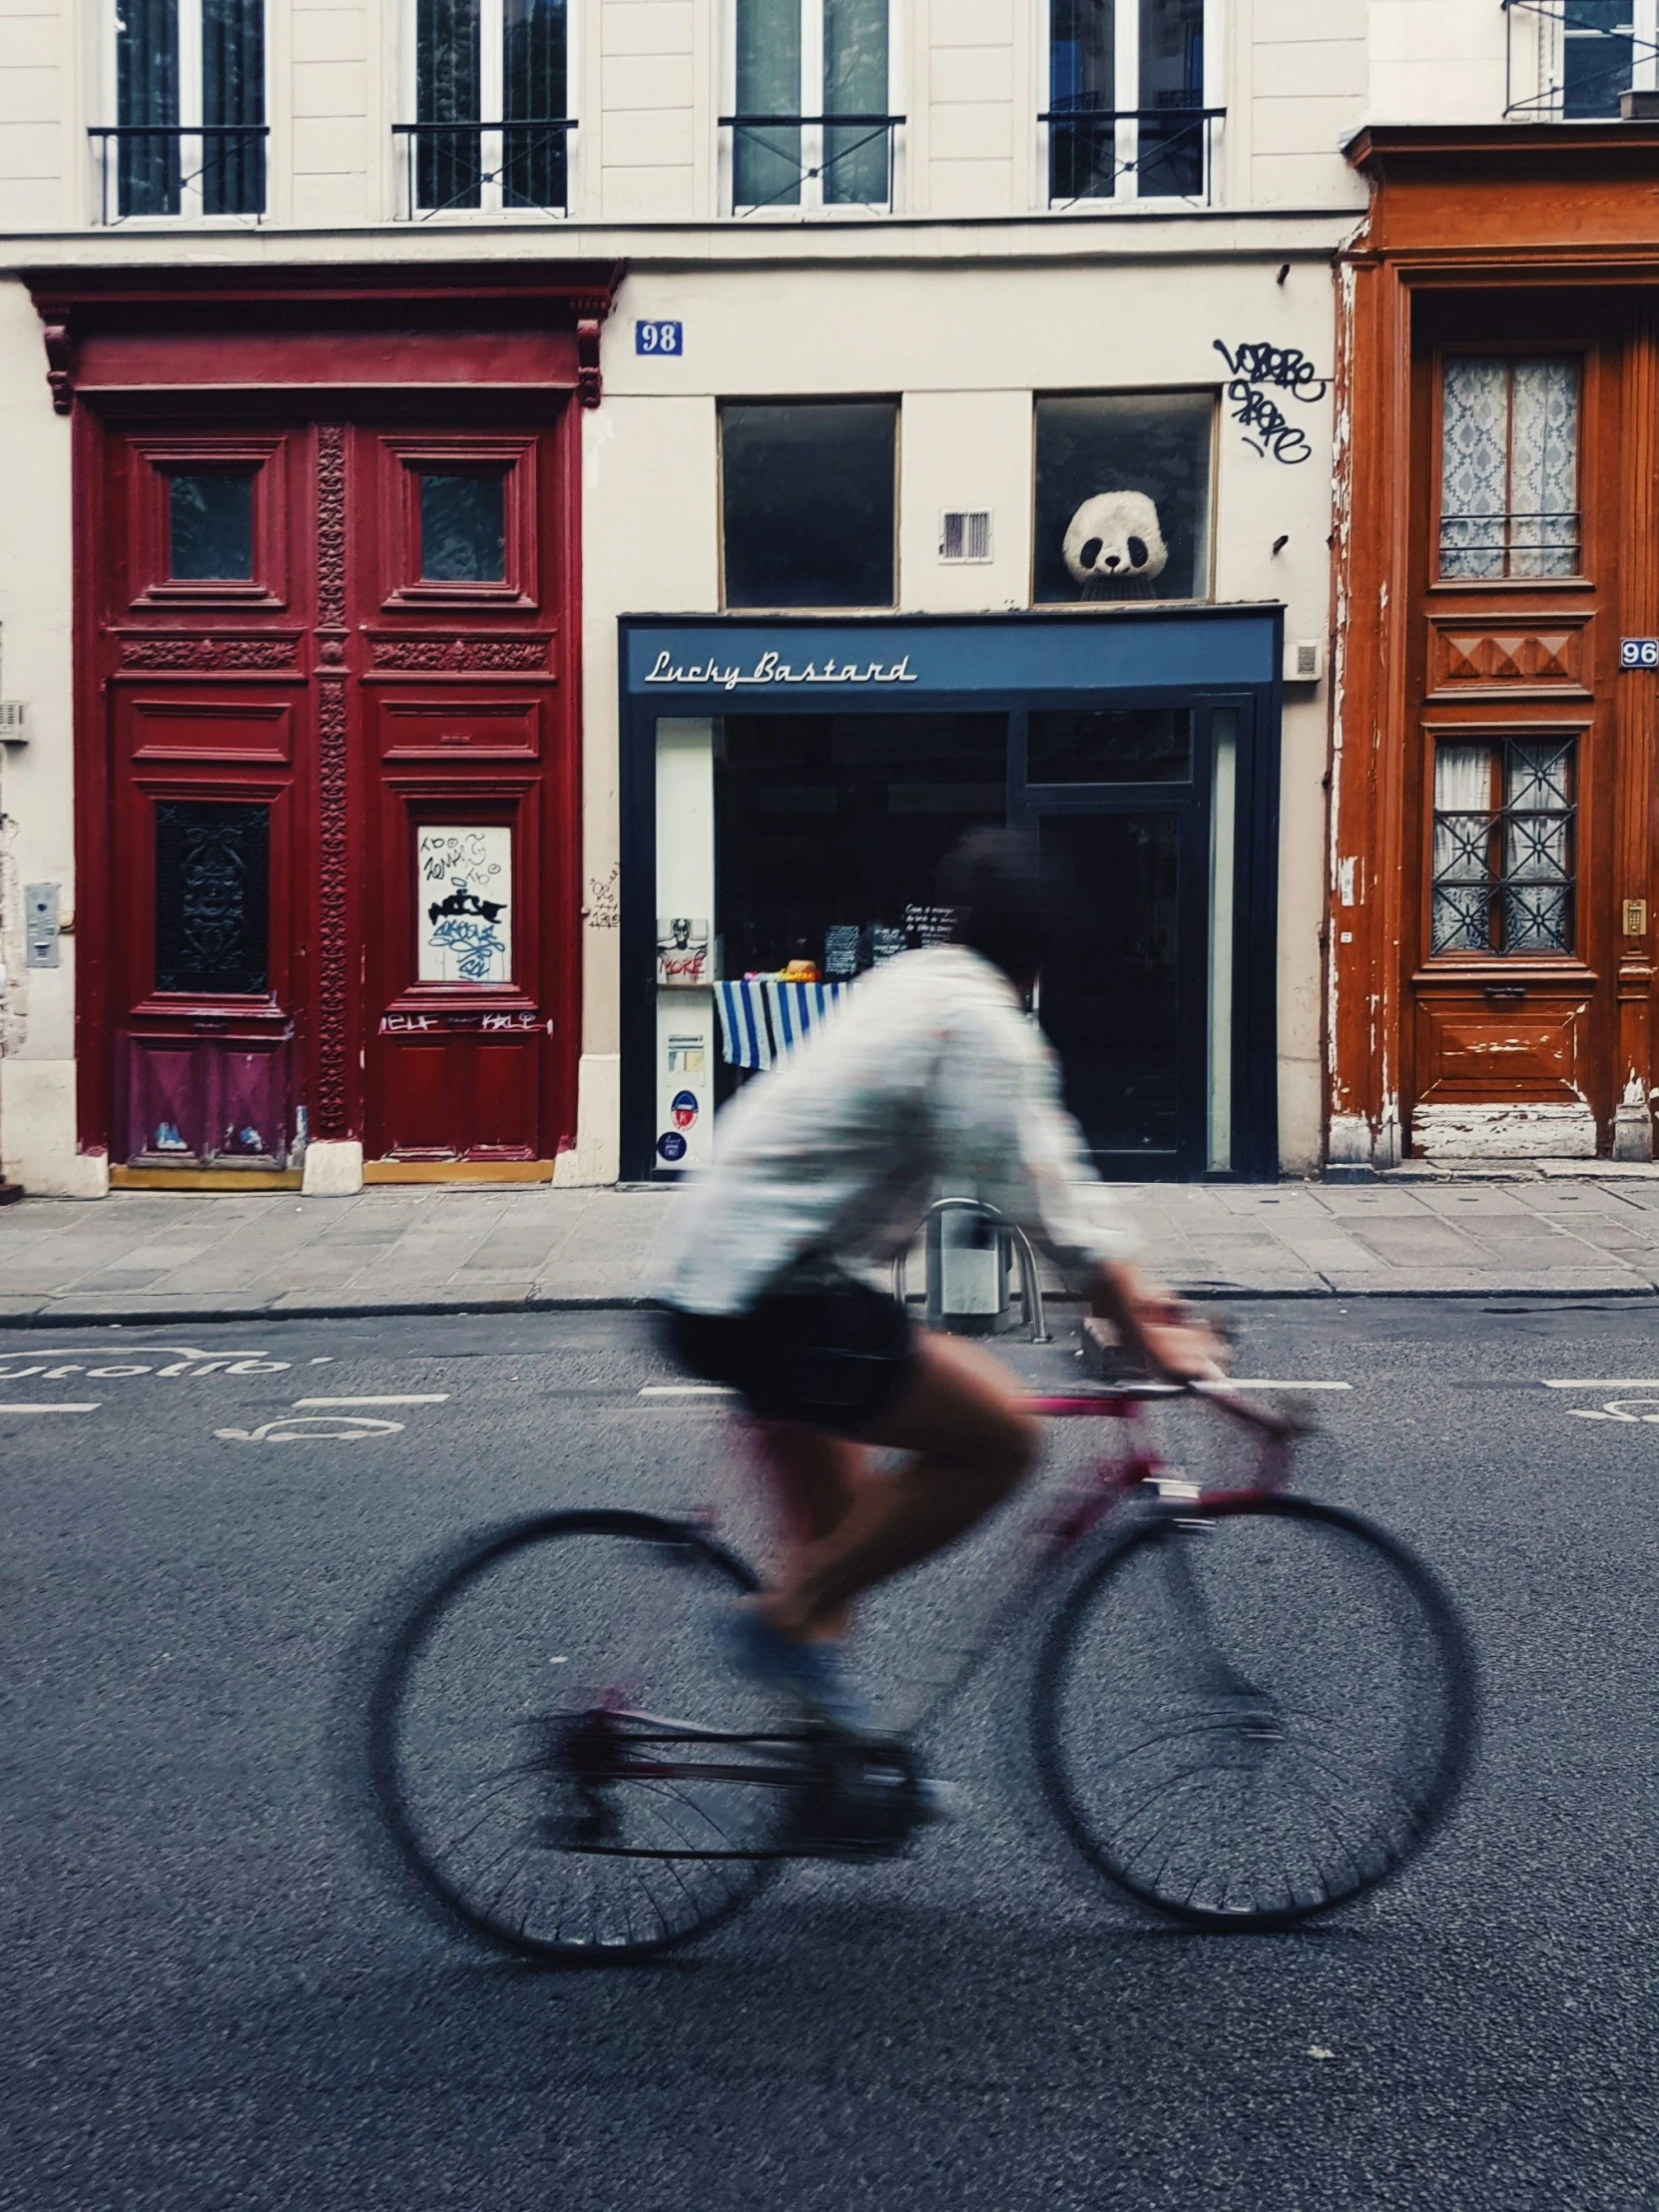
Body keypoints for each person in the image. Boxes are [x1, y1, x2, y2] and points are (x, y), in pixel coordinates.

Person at [658, 828, 1224, 1733]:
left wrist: (1139, 1303)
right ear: (1047, 955)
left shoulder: (913, 982)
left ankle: (827, 1773)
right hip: (775, 1291)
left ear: (962, 917)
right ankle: (778, 1622)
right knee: (998, 1439)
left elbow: (1035, 1174)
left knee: (840, 1541)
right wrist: (1146, 1329)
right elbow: (1045, 1198)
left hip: (719, 1275)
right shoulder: (986, 1028)